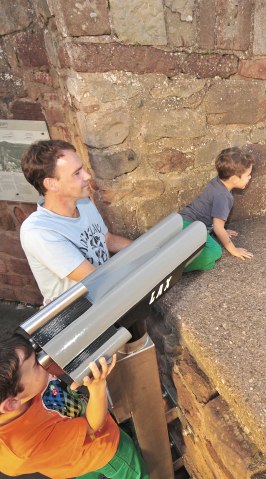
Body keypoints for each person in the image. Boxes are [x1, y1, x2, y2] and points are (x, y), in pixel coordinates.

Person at [0, 333, 149, 479]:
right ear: (11, 404)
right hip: (104, 452)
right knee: (134, 473)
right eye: (35, 365)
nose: (42, 361)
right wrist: (98, 388)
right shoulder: (25, 448)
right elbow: (92, 425)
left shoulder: (19, 388)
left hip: (72, 462)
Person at [20, 140, 132, 303]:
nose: (87, 176)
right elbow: (93, 278)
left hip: (104, 297)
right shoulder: (38, 232)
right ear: (52, 184)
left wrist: (150, 251)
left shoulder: (83, 203)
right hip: (77, 315)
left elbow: (107, 240)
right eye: (77, 173)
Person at [180, 146, 254, 272]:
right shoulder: (224, 197)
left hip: (183, 220)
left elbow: (213, 216)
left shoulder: (216, 182)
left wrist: (222, 228)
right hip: (192, 226)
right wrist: (233, 249)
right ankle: (175, 268)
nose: (250, 177)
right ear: (235, 179)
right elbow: (218, 227)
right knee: (214, 252)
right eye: (248, 175)